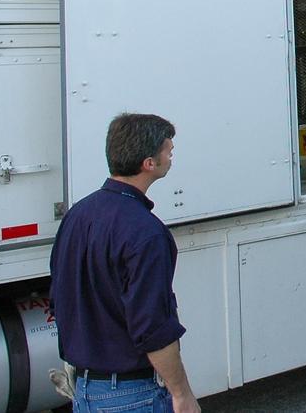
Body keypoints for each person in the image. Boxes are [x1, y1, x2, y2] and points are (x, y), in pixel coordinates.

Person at [50, 113, 200, 413]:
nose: (171, 155)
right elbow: (153, 328)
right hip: (132, 396)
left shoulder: (76, 216)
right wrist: (181, 394)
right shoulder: (146, 232)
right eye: (168, 150)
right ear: (149, 163)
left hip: (85, 391)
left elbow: (59, 298)